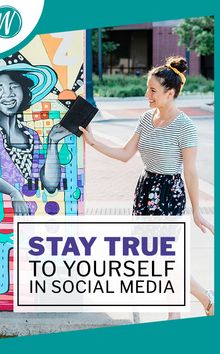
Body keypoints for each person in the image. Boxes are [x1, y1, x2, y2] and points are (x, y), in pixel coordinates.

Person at [79, 56, 214, 318]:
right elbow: (125, 154)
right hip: (145, 191)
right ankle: (196, 303)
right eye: (147, 89)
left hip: (168, 195)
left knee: (164, 259)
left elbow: (191, 171)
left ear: (170, 93)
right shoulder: (146, 118)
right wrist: (92, 142)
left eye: (153, 90)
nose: (147, 95)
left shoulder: (185, 126)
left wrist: (197, 210)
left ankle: (194, 305)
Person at [0, 70, 70, 216]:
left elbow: (51, 185)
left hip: (30, 219)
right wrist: (13, 192)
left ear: (23, 91)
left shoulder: (32, 135)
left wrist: (52, 143)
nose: (8, 94)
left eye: (14, 86)